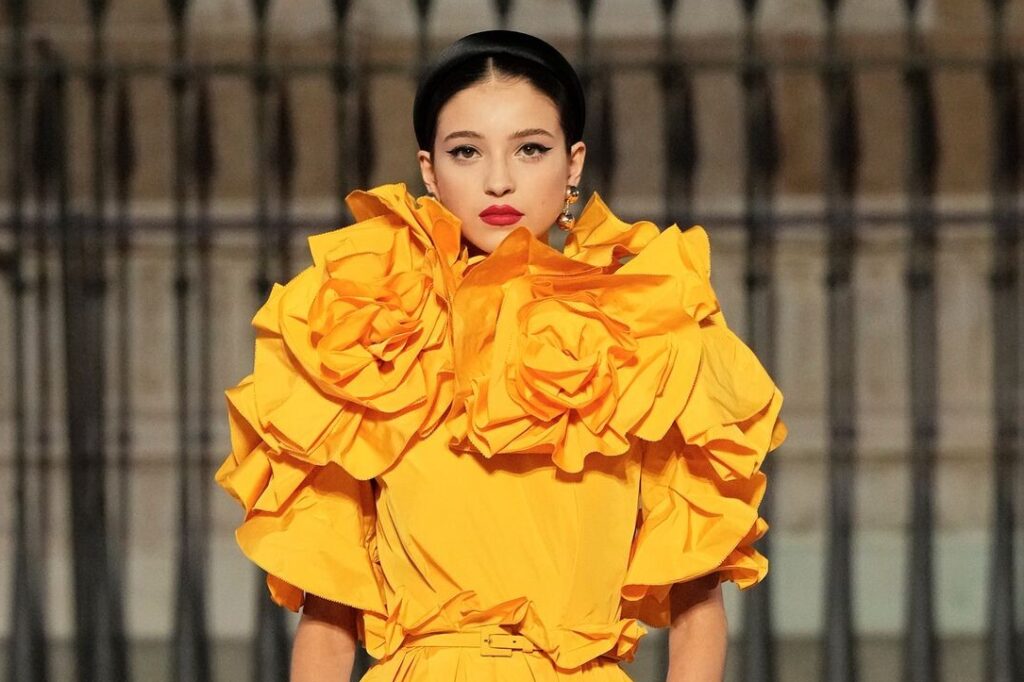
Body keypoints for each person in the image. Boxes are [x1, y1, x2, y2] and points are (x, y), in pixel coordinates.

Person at [215, 29, 786, 682]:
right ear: (429, 170)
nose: (498, 181)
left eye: (530, 149)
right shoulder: (365, 333)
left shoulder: (649, 331)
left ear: (573, 163)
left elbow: (696, 603)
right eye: (466, 151)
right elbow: (328, 618)